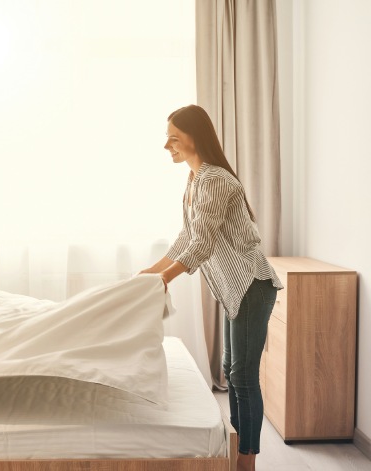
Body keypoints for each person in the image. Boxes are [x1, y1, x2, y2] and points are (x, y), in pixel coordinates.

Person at [139, 104, 283, 471]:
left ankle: (246, 460)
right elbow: (187, 237)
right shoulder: (195, 180)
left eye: (173, 137)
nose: (167, 145)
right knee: (230, 369)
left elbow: (200, 245)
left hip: (251, 283)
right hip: (233, 288)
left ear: (195, 137)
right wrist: (149, 274)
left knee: (243, 376)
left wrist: (165, 279)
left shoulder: (216, 180)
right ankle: (236, 448)